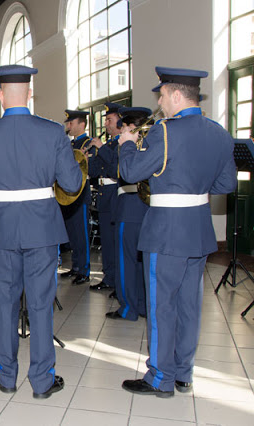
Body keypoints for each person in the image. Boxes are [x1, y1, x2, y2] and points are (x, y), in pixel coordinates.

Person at [118, 67, 236, 398]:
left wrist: (127, 144)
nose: (159, 102)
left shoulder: (164, 133)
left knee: (161, 305)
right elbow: (226, 183)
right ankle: (184, 373)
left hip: (166, 231)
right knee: (189, 305)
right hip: (198, 228)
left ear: (175, 95)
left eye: (161, 95)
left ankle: (159, 376)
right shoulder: (219, 133)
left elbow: (129, 172)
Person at [0, 65, 82, 398]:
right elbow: (73, 183)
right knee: (41, 304)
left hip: (4, 227)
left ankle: (5, 375)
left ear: (1, 95)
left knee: (4, 302)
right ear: (30, 93)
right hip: (42, 227)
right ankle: (43, 380)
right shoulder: (52, 132)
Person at [105, 107, 152, 321]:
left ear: (131, 127)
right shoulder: (153, 144)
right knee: (143, 261)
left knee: (126, 261)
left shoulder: (126, 145)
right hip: (149, 209)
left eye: (123, 125)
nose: (120, 129)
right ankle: (142, 305)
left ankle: (128, 308)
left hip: (130, 206)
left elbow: (121, 172)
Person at [87, 102, 123, 291]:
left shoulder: (123, 143)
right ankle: (109, 277)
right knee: (107, 241)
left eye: (110, 120)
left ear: (120, 122)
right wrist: (87, 159)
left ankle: (119, 281)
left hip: (115, 194)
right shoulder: (108, 144)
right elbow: (95, 171)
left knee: (116, 241)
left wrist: (101, 148)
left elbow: (115, 168)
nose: (107, 124)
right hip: (103, 195)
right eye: (106, 120)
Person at [61, 109, 93, 285]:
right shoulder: (70, 145)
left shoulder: (89, 143)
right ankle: (75, 266)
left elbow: (90, 169)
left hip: (81, 195)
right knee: (72, 233)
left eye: (71, 123)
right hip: (68, 196)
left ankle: (85, 269)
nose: (68, 126)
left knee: (81, 234)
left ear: (81, 124)